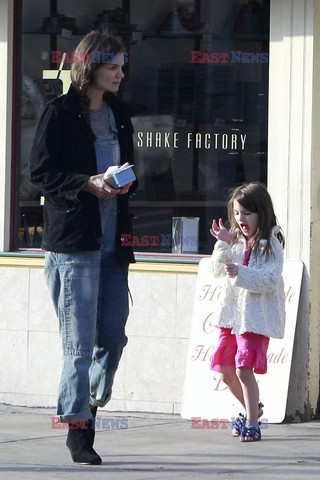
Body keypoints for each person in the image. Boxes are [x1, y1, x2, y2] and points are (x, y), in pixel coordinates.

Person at [29, 31, 137, 464]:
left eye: (123, 66)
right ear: (90, 66)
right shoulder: (59, 113)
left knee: (112, 339)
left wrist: (121, 181)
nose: (120, 74)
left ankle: (90, 403)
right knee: (77, 347)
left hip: (113, 247)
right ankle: (78, 431)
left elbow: (132, 170)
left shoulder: (120, 114)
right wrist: (85, 184)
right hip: (74, 248)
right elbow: (39, 174)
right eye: (113, 67)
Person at [209, 182, 285, 442]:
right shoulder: (237, 242)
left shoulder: (271, 244)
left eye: (247, 213)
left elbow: (270, 279)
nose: (241, 219)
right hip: (232, 317)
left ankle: (253, 422)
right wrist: (223, 245)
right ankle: (253, 410)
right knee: (226, 371)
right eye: (238, 213)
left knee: (243, 369)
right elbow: (218, 271)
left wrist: (241, 273)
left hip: (254, 318)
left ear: (261, 213)